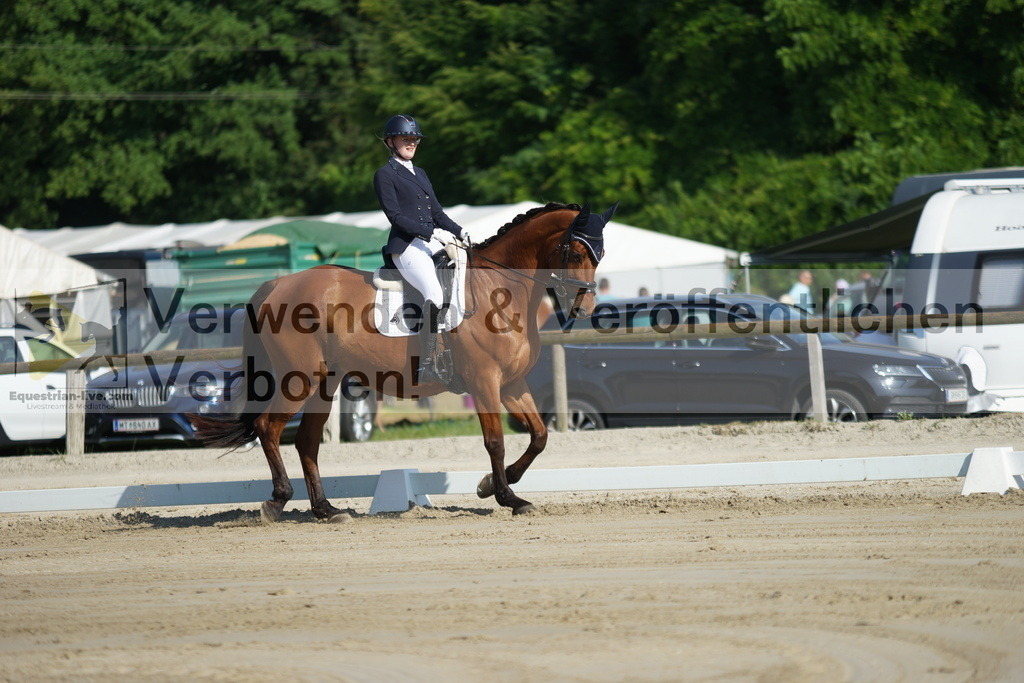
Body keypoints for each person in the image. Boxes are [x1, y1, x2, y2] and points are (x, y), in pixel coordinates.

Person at [373, 114, 469, 385]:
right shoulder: (384, 175)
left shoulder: (421, 173)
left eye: (414, 139)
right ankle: (426, 364)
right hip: (405, 247)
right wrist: (431, 232)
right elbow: (395, 217)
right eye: (406, 139)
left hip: (430, 242)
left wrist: (459, 231)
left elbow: (437, 212)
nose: (412, 143)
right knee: (435, 294)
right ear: (390, 142)